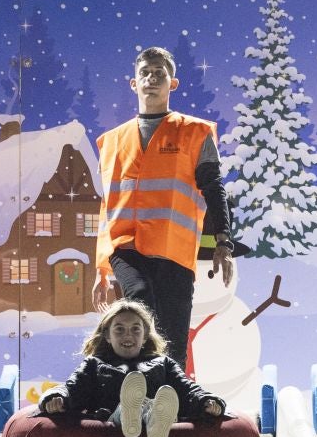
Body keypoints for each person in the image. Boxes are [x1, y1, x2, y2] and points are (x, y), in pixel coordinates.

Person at [91, 46, 235, 369]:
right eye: (145, 73)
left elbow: (214, 189)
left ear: (173, 84)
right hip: (126, 249)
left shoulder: (194, 134)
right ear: (133, 83)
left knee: (172, 337)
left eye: (159, 73)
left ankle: (170, 409)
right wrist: (102, 266)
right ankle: (134, 400)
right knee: (140, 306)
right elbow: (107, 206)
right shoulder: (111, 141)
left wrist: (224, 241)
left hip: (174, 251)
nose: (151, 79)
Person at [39, 299, 224, 437]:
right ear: (108, 337)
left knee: (160, 402)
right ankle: (129, 414)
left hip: (157, 413)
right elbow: (72, 388)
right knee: (126, 408)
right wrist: (57, 397)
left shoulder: (163, 363)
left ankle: (155, 421)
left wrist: (206, 401)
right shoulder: (95, 364)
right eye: (119, 329)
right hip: (114, 419)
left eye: (136, 329)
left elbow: (188, 389)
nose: (128, 335)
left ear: (144, 337)